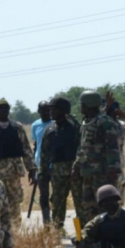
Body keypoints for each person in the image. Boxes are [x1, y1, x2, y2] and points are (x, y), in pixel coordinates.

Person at [0, 98, 36, 231]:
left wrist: (31, 168)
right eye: (1, 108)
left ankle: (15, 229)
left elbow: (26, 148)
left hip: (13, 171)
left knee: (14, 200)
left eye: (6, 108)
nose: (3, 110)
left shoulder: (17, 127)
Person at [72, 90, 123, 226]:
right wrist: (76, 167)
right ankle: (91, 236)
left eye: (82, 104)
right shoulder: (86, 122)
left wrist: (113, 171)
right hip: (87, 173)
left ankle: (108, 234)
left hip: (102, 174)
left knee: (104, 205)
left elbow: (112, 148)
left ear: (89, 104)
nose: (80, 106)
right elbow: (82, 148)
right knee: (87, 206)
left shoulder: (105, 122)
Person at [40, 96, 81, 233]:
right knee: (57, 203)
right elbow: (44, 153)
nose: (51, 112)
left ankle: (81, 234)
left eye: (54, 109)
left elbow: (82, 147)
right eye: (50, 109)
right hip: (57, 172)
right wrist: (43, 172)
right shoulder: (50, 129)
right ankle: (57, 231)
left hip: (75, 171)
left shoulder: (75, 127)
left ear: (63, 110)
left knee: (80, 204)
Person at [31, 100, 53, 225]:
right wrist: (34, 165)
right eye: (43, 110)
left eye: (48, 110)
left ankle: (57, 221)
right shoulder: (35, 125)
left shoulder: (55, 123)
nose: (46, 113)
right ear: (39, 111)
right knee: (43, 195)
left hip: (54, 165)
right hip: (41, 165)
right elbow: (35, 144)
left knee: (56, 195)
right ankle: (47, 223)